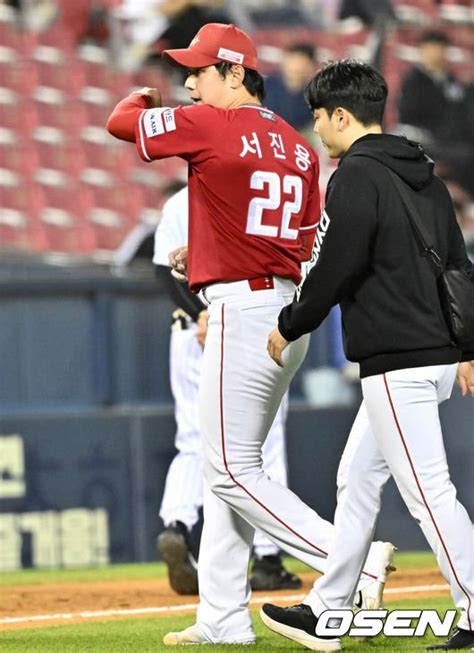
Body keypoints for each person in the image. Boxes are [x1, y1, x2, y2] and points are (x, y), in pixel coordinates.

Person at [106, 24, 394, 646]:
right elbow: (301, 235)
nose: (188, 83)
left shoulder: (212, 122)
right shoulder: (296, 144)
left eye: (200, 72)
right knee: (228, 470)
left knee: (231, 470)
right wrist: (209, 253)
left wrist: (146, 101)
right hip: (284, 308)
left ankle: (352, 557)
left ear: (236, 74)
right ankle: (223, 618)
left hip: (242, 312)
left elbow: (120, 122)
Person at [263, 59, 474, 651]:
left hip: (399, 357)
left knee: (430, 494)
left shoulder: (355, 174)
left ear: (339, 114)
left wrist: (292, 322)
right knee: (356, 480)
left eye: (318, 118)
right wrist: (467, 349)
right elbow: (460, 262)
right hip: (430, 353)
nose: (316, 130)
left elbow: (336, 265)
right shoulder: (425, 174)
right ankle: (327, 610)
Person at [153, 185, 302, 594]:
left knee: (191, 440)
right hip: (243, 325)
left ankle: (177, 525)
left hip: (187, 333)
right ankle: (269, 557)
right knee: (263, 440)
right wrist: (208, 313)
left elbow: (162, 271)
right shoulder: (251, 191)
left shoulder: (178, 201)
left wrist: (196, 312)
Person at [397, 30, 472, 196]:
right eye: (432, 49)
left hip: (452, 139)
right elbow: (408, 114)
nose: (437, 54)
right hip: (426, 140)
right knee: (466, 157)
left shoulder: (451, 81)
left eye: (441, 49)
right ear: (422, 51)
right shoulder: (413, 82)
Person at [264, 43, 317, 132]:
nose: (296, 67)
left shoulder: (315, 97)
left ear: (311, 67)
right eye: (293, 61)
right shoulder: (265, 86)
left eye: (302, 63)